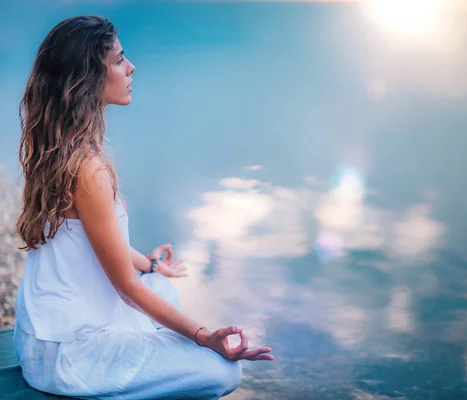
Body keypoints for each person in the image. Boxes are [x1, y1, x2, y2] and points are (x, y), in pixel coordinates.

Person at [12, 15, 273, 399]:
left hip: (40, 338)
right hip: (68, 356)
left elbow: (95, 240)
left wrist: (150, 264)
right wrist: (204, 336)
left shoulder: (56, 146)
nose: (130, 67)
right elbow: (126, 289)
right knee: (222, 374)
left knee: (158, 283)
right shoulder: (88, 169)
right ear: (86, 79)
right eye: (118, 60)